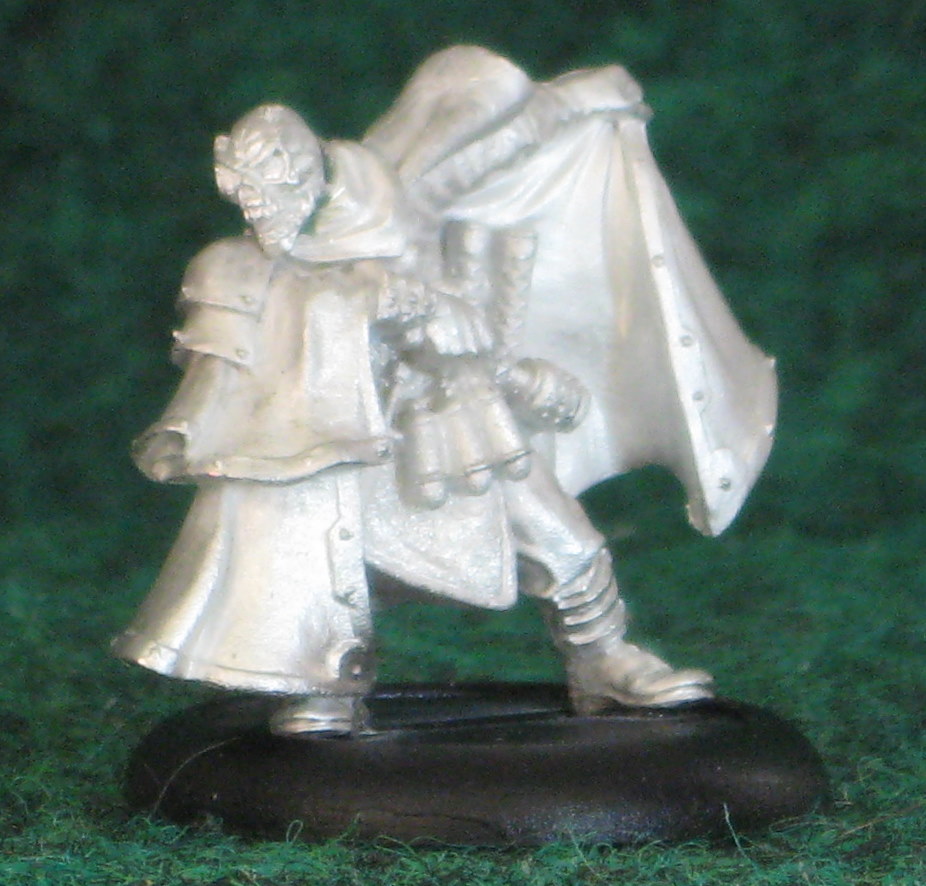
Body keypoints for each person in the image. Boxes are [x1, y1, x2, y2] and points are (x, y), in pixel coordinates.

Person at [116, 48, 776, 735]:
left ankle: (601, 657)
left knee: (561, 539)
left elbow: (491, 156)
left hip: (440, 413)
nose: (260, 218)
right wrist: (363, 307)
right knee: (327, 560)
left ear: (304, 175)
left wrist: (580, 101)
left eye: (270, 197)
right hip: (326, 441)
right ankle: (326, 680)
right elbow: (245, 354)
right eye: (247, 200)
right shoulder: (246, 263)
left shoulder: (390, 196)